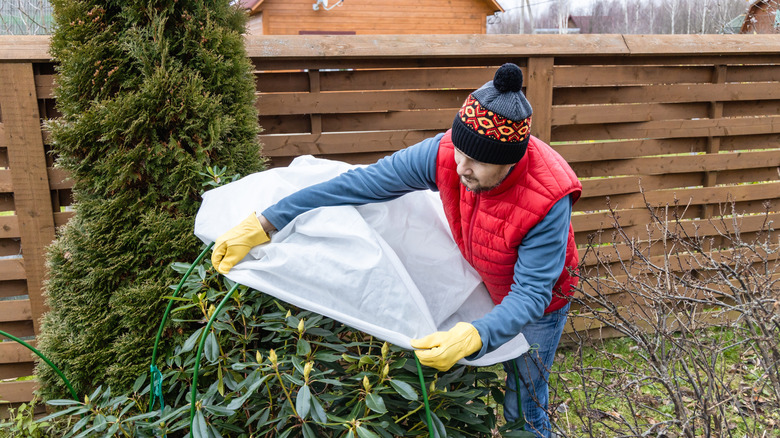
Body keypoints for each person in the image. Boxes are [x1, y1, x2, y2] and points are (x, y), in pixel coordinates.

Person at [212, 63, 581, 438]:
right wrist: (269, 221)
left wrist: (477, 334)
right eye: (459, 152)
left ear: (510, 159)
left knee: (523, 403)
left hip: (540, 304)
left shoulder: (548, 197)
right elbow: (360, 184)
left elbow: (532, 293)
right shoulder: (446, 154)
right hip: (486, 273)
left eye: (477, 161)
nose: (461, 167)